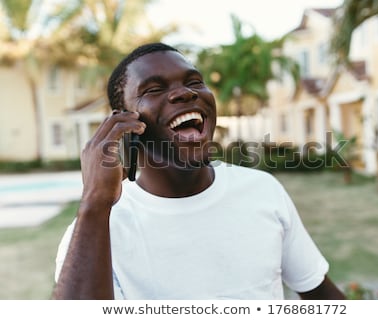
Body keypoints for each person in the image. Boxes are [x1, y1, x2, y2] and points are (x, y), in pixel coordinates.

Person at [52, 42, 345, 300]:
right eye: (153, 89)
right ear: (124, 125)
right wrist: (94, 202)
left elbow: (321, 294)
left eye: (194, 82)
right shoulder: (96, 229)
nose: (184, 93)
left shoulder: (262, 190)